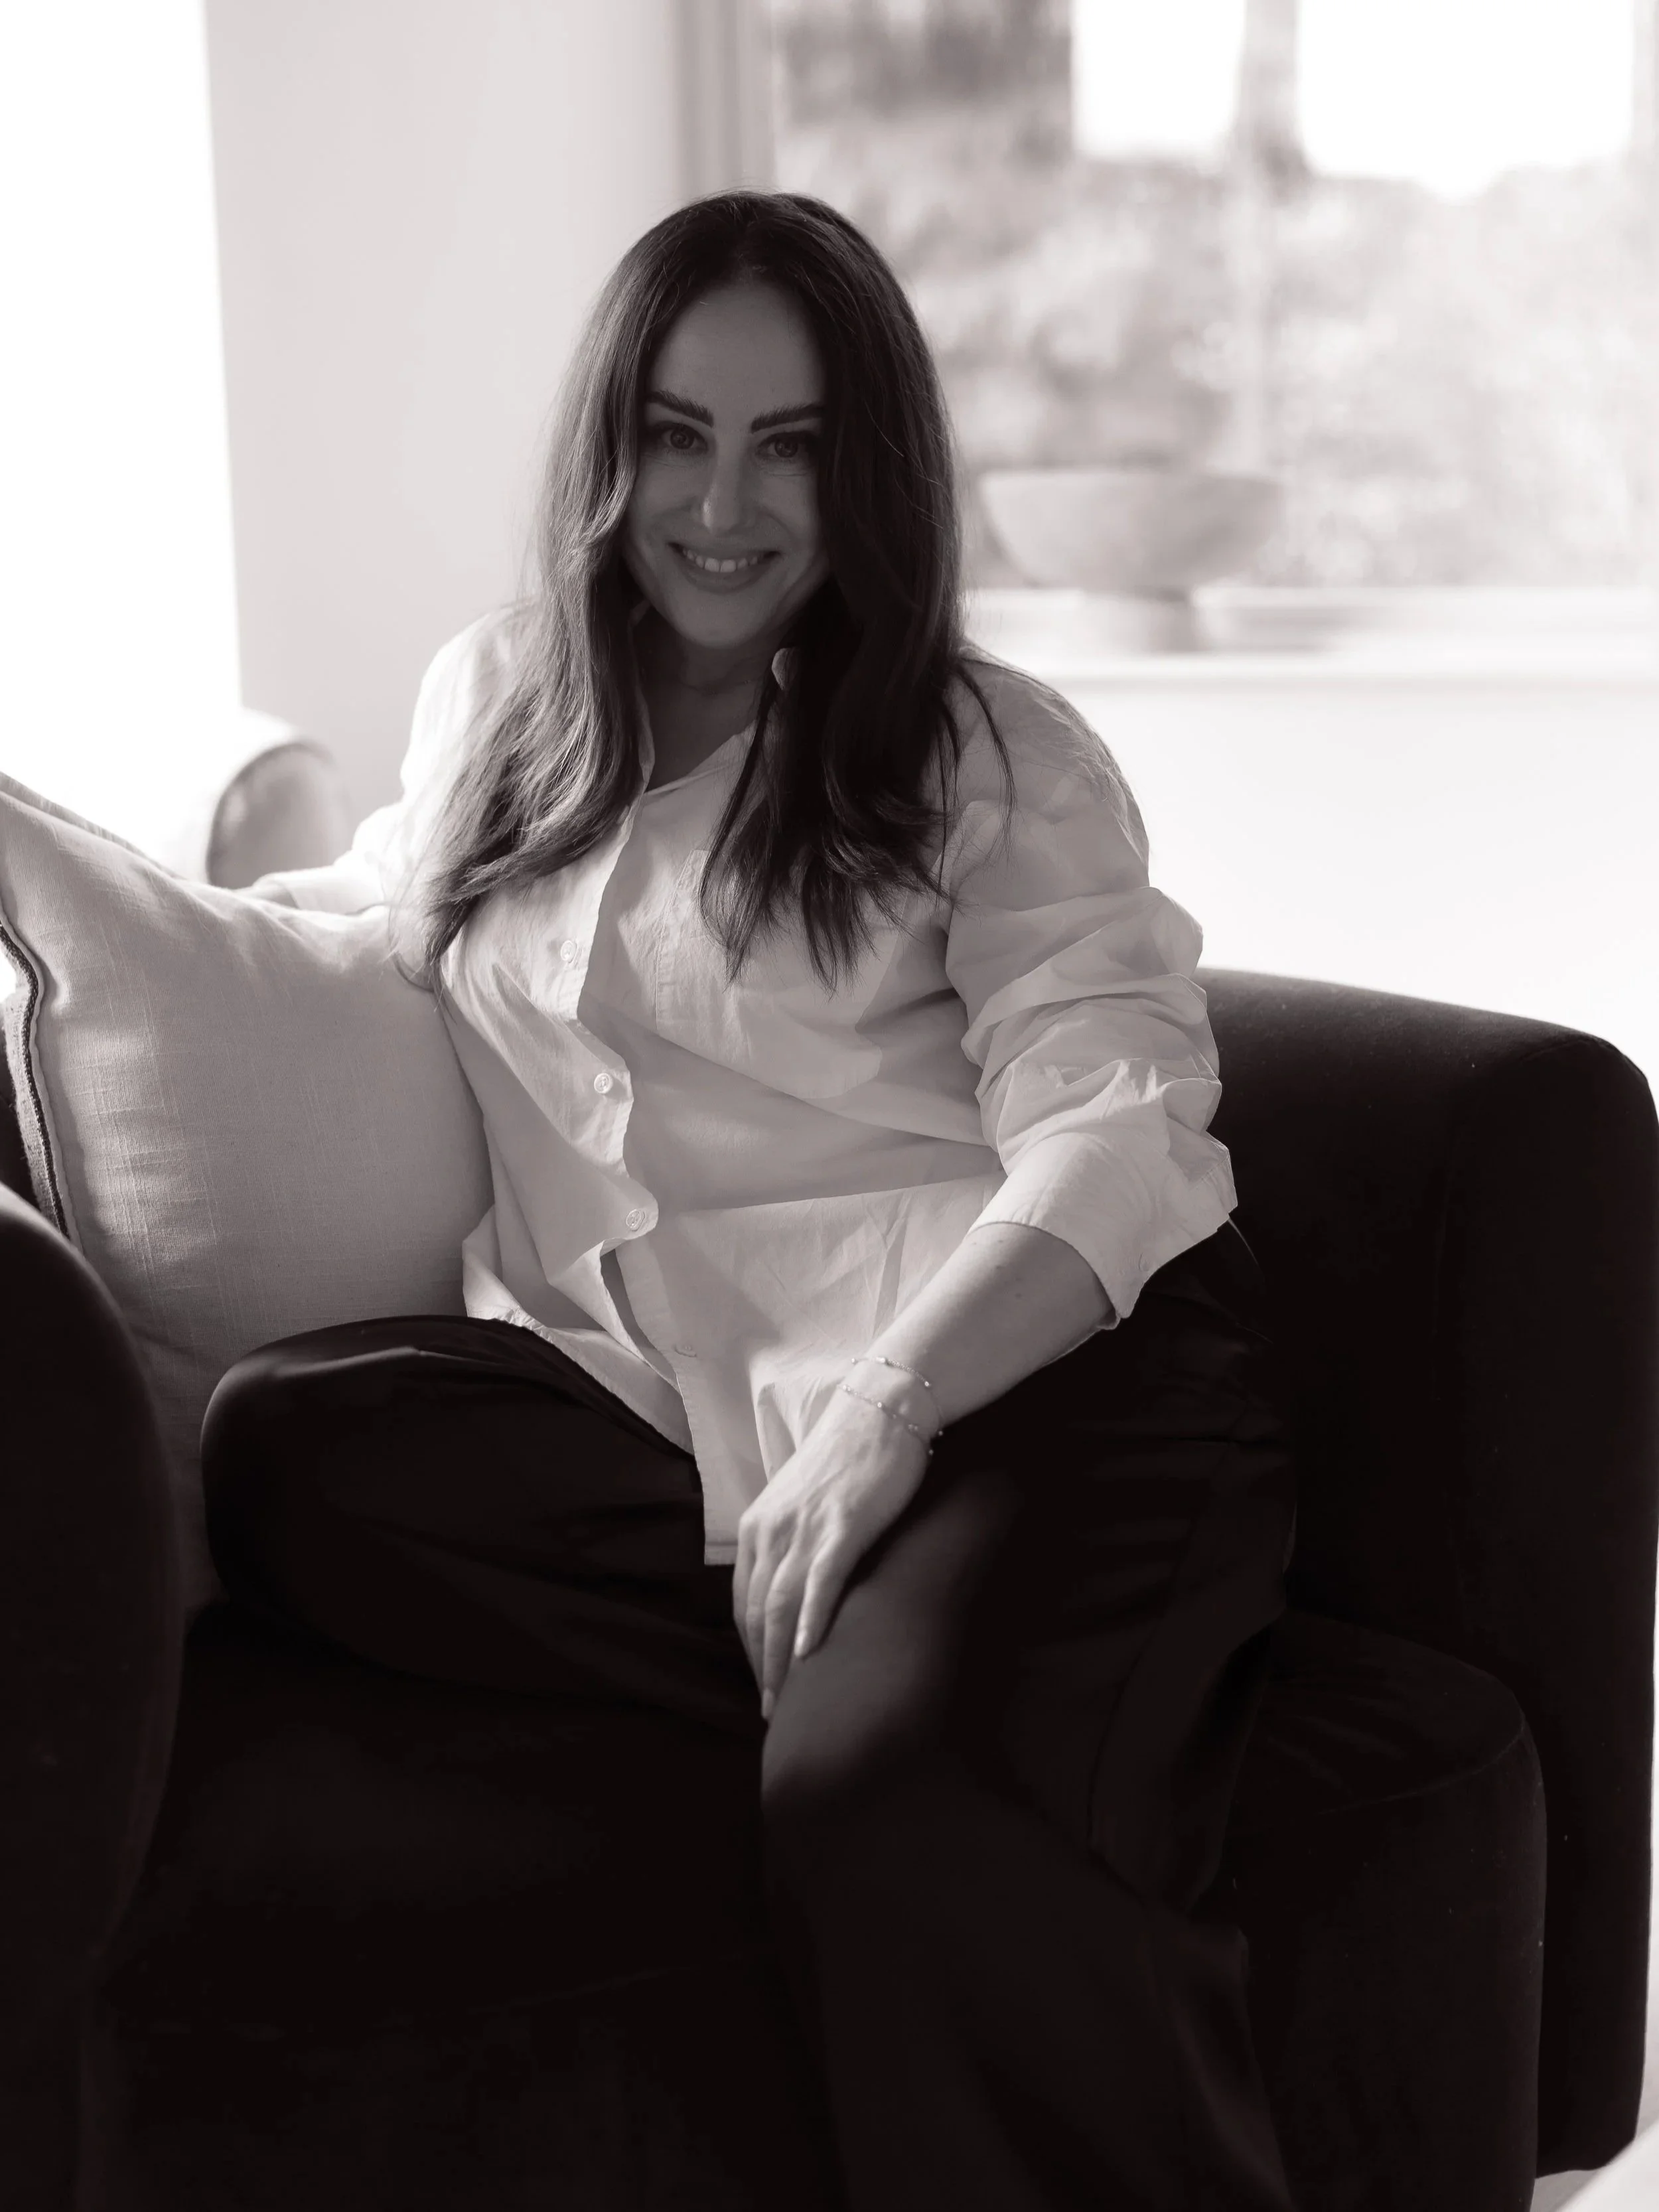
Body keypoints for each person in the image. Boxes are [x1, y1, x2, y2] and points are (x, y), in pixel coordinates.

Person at [204, 190, 1301, 2212]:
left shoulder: (986, 754)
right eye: (678, 434)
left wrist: (888, 1407)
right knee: (294, 1448)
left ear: (863, 466)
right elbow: (353, 919)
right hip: (679, 1412)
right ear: (606, 448)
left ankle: (927, 1699)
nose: (722, 504)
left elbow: (1118, 1113)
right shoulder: (498, 703)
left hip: (1013, 1376)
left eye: (786, 443)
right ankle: (888, 1650)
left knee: (888, 1811)